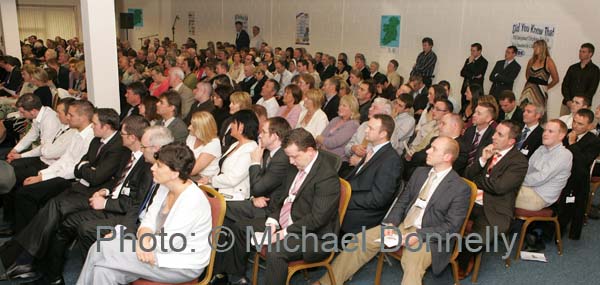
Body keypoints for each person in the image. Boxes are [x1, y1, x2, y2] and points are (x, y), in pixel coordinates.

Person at [314, 136, 470, 285]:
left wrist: (419, 235)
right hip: (404, 225)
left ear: (447, 157)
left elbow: (451, 226)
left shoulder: (459, 188)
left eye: (434, 149)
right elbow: (402, 202)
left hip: (430, 235)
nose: (427, 151)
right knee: (361, 240)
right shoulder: (420, 173)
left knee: (412, 261)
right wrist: (390, 223)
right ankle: (328, 282)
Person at [211, 128, 340, 285]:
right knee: (240, 227)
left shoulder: (327, 177)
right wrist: (272, 221)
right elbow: (283, 199)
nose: (291, 162)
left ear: (310, 151)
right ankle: (236, 277)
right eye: (289, 157)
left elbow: (318, 218)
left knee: (276, 250)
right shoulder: (296, 165)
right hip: (290, 221)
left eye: (294, 157)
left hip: (315, 235)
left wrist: (284, 232)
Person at [36, 115, 153, 284]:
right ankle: (56, 274)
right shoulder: (129, 155)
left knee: (81, 227)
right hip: (112, 201)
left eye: (123, 134)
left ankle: (87, 275)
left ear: (133, 137)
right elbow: (117, 180)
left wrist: (105, 202)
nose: (120, 136)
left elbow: (135, 203)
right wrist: (105, 190)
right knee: (66, 222)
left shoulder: (147, 164)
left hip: (123, 212)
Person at [77, 142, 211, 284]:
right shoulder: (165, 186)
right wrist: (142, 241)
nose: (152, 168)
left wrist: (141, 243)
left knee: (102, 248)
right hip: (155, 248)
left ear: (175, 173)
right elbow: (148, 221)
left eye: (159, 166)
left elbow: (168, 244)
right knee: (103, 271)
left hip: (179, 263)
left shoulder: (192, 201)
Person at [460, 120, 528, 277]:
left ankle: (464, 261)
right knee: (441, 215)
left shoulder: (519, 162)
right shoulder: (488, 151)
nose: (494, 137)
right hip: (471, 200)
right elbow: (467, 175)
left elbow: (499, 187)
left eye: (500, 134)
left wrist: (477, 182)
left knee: (476, 238)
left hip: (495, 208)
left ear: (511, 141)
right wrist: (483, 160)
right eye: (495, 132)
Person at [341, 114, 402, 234]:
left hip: (363, 214)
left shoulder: (391, 160)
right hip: (355, 201)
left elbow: (378, 198)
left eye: (371, 128)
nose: (366, 130)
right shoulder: (374, 150)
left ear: (383, 134)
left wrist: (346, 198)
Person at [225, 117, 292, 224]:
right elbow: (258, 184)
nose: (259, 135)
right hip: (260, 202)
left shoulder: (281, 158)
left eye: (264, 132)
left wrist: (255, 162)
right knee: (222, 206)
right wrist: (253, 198)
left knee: (223, 207)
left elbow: (257, 188)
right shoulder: (268, 153)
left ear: (275, 136)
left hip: (270, 210)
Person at [199, 110, 258, 201]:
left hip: (235, 197)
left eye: (233, 123)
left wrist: (210, 179)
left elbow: (232, 179)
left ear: (241, 126)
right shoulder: (236, 144)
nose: (230, 126)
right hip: (222, 192)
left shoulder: (250, 149)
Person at [559, 109, 600, 240]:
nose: (575, 126)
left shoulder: (593, 141)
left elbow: (583, 162)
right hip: (561, 172)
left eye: (580, 124)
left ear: (589, 126)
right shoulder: (567, 133)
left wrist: (572, 143)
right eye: (575, 122)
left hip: (578, 178)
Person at [516, 119, 572, 211]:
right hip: (526, 188)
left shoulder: (564, 155)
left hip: (539, 197)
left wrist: (516, 181)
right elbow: (527, 170)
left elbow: (541, 177)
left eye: (550, 131)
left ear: (561, 136)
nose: (545, 134)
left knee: (499, 193)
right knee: (497, 190)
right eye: (545, 130)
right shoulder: (541, 149)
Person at [316, 95, 360, 161]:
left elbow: (332, 143)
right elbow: (322, 136)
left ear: (352, 109)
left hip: (336, 160)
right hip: (322, 154)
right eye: (340, 105)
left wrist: (319, 139)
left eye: (344, 106)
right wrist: (321, 140)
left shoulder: (353, 124)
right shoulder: (336, 119)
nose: (339, 108)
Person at [561, 43, 600, 116]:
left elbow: (592, 89)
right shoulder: (573, 68)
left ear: (590, 54)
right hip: (567, 103)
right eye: (580, 51)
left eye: (583, 52)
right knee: (562, 124)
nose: (580, 53)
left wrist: (580, 103)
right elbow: (565, 85)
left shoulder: (595, 70)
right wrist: (569, 101)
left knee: (580, 124)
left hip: (583, 106)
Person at [519, 39, 560, 109]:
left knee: (537, 112)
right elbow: (527, 75)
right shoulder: (531, 60)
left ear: (542, 48)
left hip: (540, 92)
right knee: (523, 110)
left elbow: (556, 79)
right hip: (527, 91)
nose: (534, 49)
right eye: (534, 47)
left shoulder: (549, 61)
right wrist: (531, 85)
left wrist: (546, 87)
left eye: (536, 47)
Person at [186, 111, 222, 181]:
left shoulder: (213, 144)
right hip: (188, 176)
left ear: (201, 129)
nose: (189, 127)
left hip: (203, 181)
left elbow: (193, 171)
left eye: (193, 126)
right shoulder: (191, 136)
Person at [460, 43, 488, 108]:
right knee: (463, 107)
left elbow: (477, 73)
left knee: (473, 107)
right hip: (465, 88)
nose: (472, 53)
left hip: (474, 91)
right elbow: (462, 73)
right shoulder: (468, 59)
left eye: (473, 51)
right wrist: (473, 76)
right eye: (471, 50)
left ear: (479, 51)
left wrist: (470, 64)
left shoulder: (484, 62)